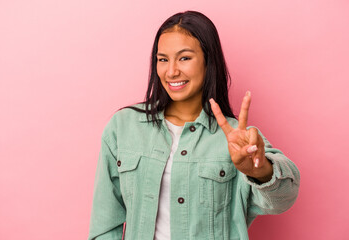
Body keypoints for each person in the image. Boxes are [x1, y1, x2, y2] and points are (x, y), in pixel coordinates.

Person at [88, 10, 300, 240]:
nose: (171, 71)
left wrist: (258, 170)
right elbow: (104, 224)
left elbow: (283, 198)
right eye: (162, 59)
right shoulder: (123, 128)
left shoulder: (236, 138)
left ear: (209, 62)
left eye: (184, 58)